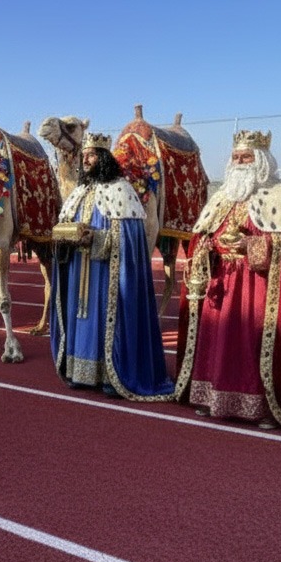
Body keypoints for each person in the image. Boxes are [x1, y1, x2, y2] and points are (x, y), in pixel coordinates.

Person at [175, 130, 281, 429]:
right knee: (215, 340)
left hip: (257, 286)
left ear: (262, 160)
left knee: (253, 342)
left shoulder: (280, 196)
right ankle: (211, 397)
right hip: (220, 283)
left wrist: (252, 246)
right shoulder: (221, 199)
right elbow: (201, 236)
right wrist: (205, 247)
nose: (241, 161)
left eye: (247, 157)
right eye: (236, 157)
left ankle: (263, 407)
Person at [49, 132, 174, 400]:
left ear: (104, 158)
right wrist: (64, 237)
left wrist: (96, 238)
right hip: (78, 267)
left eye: (91, 156)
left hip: (105, 273)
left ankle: (109, 373)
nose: (86, 160)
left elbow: (128, 239)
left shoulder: (121, 191)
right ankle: (79, 371)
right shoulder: (79, 193)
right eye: (84, 156)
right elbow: (64, 226)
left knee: (103, 317)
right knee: (80, 314)